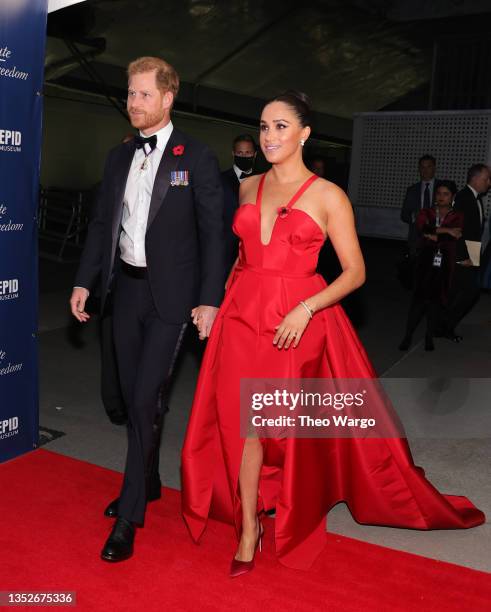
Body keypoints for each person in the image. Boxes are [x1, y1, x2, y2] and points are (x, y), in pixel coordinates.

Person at [181, 91, 485, 576]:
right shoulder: (248, 187)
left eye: (281, 126)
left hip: (294, 323)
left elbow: (355, 272)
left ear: (304, 133)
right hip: (241, 318)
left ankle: (289, 505)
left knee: (274, 425)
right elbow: (240, 258)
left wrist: (306, 307)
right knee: (243, 426)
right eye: (263, 126)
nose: (269, 136)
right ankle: (248, 528)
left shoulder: (327, 195)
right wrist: (214, 303)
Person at [70, 56, 225, 562]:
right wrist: (84, 282)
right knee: (134, 396)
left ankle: (131, 515)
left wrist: (209, 298)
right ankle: (151, 480)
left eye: (141, 94)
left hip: (172, 298)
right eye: (130, 94)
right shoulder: (118, 158)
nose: (132, 103)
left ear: (167, 97)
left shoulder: (195, 157)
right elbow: (101, 226)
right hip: (125, 291)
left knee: (143, 400)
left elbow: (212, 234)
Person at [399, 181, 461, 352]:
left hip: (444, 263)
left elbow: (452, 237)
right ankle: (408, 335)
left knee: (435, 302)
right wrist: (446, 231)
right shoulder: (425, 212)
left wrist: (436, 234)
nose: (441, 197)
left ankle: (429, 336)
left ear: (452, 196)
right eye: (439, 193)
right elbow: (423, 228)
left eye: (446, 194)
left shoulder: (457, 215)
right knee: (418, 300)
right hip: (424, 262)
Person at [441, 164, 491, 339]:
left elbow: (473, 232)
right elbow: (458, 231)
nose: (489, 183)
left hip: (469, 255)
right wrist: (466, 258)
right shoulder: (464, 198)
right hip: (461, 257)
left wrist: (475, 257)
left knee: (455, 293)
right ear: (476, 178)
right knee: (469, 292)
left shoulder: (474, 198)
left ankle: (442, 327)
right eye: (486, 179)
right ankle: (445, 326)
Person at [221, 134, 257, 272]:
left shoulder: (265, 182)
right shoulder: (219, 179)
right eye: (240, 153)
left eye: (248, 152)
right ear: (233, 154)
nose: (244, 156)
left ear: (254, 154)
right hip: (225, 251)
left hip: (253, 252)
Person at [401, 155, 442, 256]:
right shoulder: (412, 190)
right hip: (416, 240)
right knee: (415, 269)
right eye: (422, 167)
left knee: (436, 269)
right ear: (419, 169)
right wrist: (416, 217)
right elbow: (404, 215)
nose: (425, 170)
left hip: (438, 238)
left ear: (434, 168)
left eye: (429, 167)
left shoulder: (443, 188)